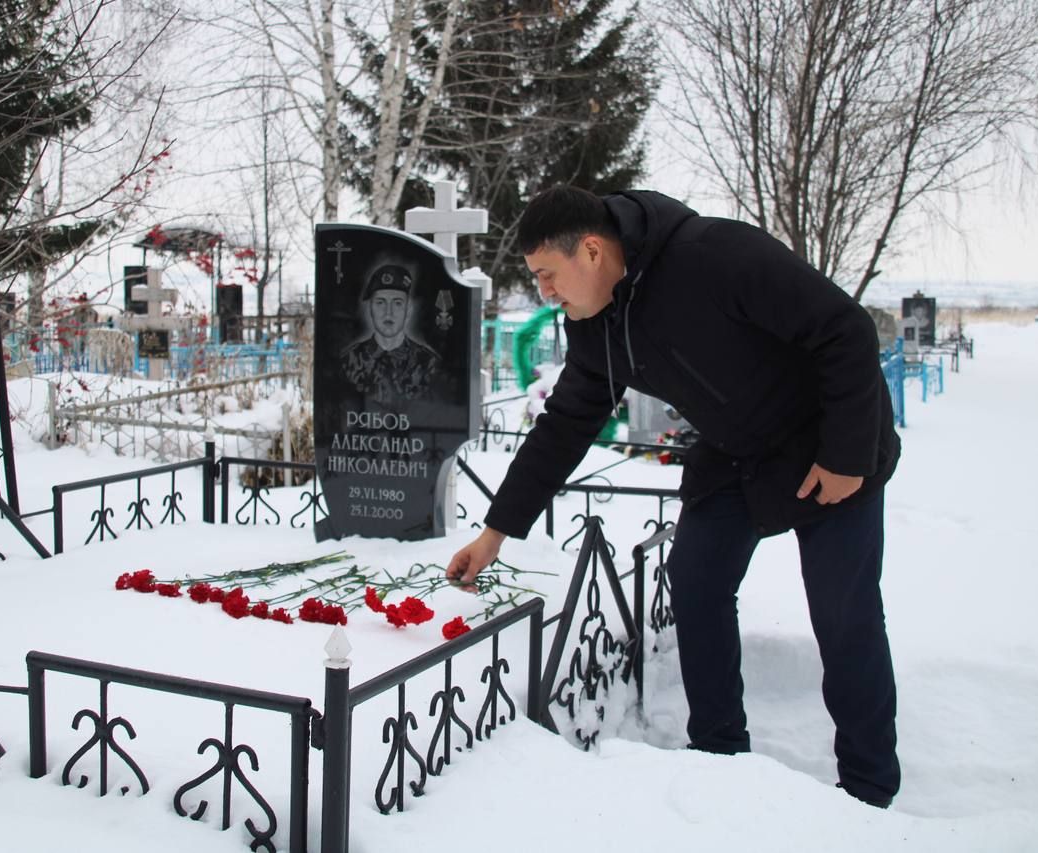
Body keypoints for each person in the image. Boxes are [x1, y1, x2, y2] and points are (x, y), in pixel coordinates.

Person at [445, 185, 901, 808]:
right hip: (736, 454)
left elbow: (845, 331)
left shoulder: (716, 254)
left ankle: (869, 788)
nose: (545, 292)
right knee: (695, 580)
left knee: (843, 613)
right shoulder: (595, 325)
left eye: (548, 275)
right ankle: (718, 752)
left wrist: (846, 457)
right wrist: (495, 532)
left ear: (593, 250)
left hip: (828, 443)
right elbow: (564, 427)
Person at [341, 263, 439, 403]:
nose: (389, 312)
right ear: (370, 309)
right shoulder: (348, 361)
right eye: (380, 303)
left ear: (408, 309)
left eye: (397, 303)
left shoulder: (428, 364)